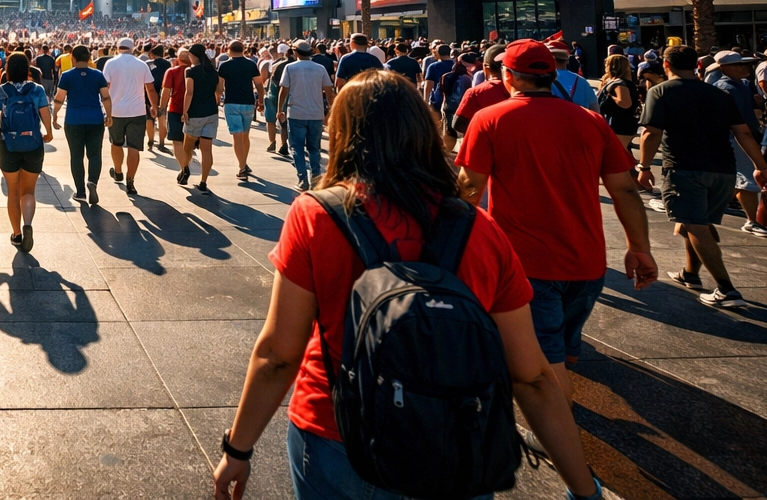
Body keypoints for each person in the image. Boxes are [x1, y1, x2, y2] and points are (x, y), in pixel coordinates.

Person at [213, 70, 597, 500]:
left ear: (342, 133)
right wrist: (584, 488)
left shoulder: (317, 217)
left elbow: (278, 356)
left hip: (337, 433)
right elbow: (533, 378)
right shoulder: (481, 230)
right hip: (455, 439)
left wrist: (238, 448)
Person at [456, 39, 657, 393]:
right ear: (554, 75)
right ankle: (566, 394)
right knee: (565, 346)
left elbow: (469, 188)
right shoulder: (592, 121)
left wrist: (454, 243)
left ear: (508, 76)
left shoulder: (490, 119)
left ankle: (561, 433)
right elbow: (624, 190)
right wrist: (639, 247)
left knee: (540, 371)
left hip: (526, 264)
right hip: (588, 263)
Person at [638, 44, 767, 308]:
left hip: (684, 168)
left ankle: (726, 289)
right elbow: (743, 132)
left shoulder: (660, 91)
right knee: (697, 223)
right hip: (723, 170)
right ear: (697, 66)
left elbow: (651, 133)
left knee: (695, 224)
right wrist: (762, 167)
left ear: (666, 65)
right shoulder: (718, 94)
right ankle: (690, 274)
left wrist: (644, 167)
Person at [707, 51, 767, 239]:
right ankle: (752, 221)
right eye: (737, 65)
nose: (744, 67)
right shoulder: (726, 87)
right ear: (723, 68)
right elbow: (737, 123)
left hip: (741, 137)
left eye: (744, 64)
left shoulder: (741, 85)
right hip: (736, 138)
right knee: (748, 180)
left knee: (739, 178)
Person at [0, 51, 54, 248]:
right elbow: (45, 114)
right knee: (28, 191)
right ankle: (28, 224)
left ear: (7, 69)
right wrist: (48, 133)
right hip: (33, 144)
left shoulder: (0, 91)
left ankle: (16, 234)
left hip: (8, 145)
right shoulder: (37, 89)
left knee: (13, 191)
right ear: (27, 69)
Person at [54, 44, 111, 204]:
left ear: (73, 57)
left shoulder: (67, 75)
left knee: (76, 156)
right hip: (95, 119)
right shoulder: (98, 75)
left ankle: (80, 191)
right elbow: (106, 97)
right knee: (95, 154)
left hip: (74, 119)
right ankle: (92, 181)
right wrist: (109, 115)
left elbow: (59, 98)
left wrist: (54, 115)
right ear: (89, 58)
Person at [102, 36, 156, 196]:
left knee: (116, 143)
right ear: (132, 48)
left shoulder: (110, 63)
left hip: (116, 111)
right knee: (134, 147)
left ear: (118, 47)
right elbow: (150, 89)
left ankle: (118, 171)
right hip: (137, 110)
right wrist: (154, 107)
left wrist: (105, 109)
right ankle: (130, 180)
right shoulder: (141, 64)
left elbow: (105, 87)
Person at [277, 40, 334, 190]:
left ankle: (302, 179)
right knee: (314, 148)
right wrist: (330, 111)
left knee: (296, 147)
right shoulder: (320, 68)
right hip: (316, 113)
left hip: (296, 112)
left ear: (295, 52)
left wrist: (280, 109)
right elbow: (329, 91)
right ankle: (316, 179)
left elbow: (284, 90)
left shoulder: (290, 67)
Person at [179, 43, 223, 193]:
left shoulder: (190, 71)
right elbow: (219, 90)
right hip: (211, 112)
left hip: (195, 112)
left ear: (193, 56)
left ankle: (185, 169)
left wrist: (185, 111)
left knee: (188, 145)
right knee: (207, 149)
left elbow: (189, 92)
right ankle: (203, 181)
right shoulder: (213, 70)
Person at [217, 40, 262, 181]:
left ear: (229, 49)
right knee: (245, 135)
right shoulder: (251, 64)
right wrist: (261, 100)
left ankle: (242, 167)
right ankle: (244, 162)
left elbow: (219, 87)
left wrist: (217, 99)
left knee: (237, 136)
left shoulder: (224, 65)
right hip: (248, 102)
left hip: (231, 103)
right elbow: (259, 84)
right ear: (243, 49)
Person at [449, 45, 509, 143]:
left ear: (486, 68)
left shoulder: (476, 93)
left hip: (483, 148)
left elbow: (457, 124)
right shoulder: (523, 91)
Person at [598, 53, 641, 156]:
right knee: (622, 156)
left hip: (619, 124)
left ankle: (637, 171)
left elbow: (625, 103)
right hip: (622, 124)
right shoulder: (621, 82)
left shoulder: (619, 83)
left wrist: (611, 96)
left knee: (617, 156)